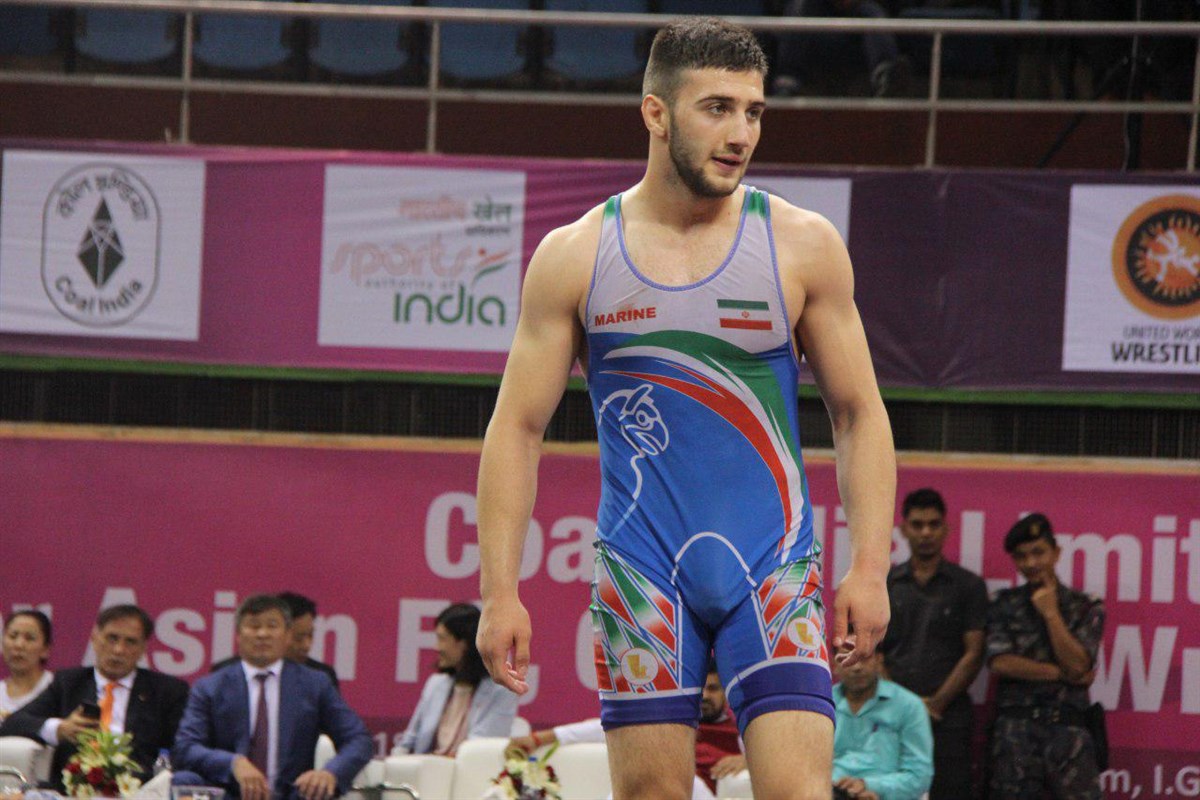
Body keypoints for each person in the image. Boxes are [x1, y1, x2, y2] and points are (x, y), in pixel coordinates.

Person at [475, 16, 896, 800]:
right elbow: (517, 429)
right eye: (717, 108)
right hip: (643, 576)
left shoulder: (801, 245)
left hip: (774, 570)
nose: (741, 134)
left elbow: (859, 414)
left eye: (754, 111)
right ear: (656, 113)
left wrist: (870, 567)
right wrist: (499, 592)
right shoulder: (575, 256)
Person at [172, 594, 372, 800]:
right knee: (183, 781)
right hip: (229, 793)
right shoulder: (210, 687)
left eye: (272, 626)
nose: (262, 634)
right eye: (254, 626)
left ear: (287, 636)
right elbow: (186, 747)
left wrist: (330, 773)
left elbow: (358, 739)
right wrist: (233, 763)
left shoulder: (314, 684)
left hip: (292, 794)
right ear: (238, 635)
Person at [0, 605, 189, 792]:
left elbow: (183, 747)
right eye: (112, 638)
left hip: (138, 791)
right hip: (72, 790)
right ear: (94, 638)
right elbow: (13, 723)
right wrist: (59, 729)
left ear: (143, 648)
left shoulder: (166, 691)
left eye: (130, 642)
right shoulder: (69, 683)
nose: (118, 650)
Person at [879, 488, 987, 800]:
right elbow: (874, 653)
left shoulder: (968, 586)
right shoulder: (886, 584)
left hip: (948, 717)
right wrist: (907, 707)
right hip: (893, 716)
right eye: (917, 524)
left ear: (946, 529)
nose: (926, 532)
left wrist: (935, 705)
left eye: (933, 524)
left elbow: (974, 653)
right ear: (903, 530)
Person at [986, 513, 1104, 800]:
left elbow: (1079, 664)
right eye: (1022, 556)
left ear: (1056, 552)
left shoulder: (1085, 606)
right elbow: (1000, 662)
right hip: (1015, 734)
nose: (1031, 563)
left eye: (1038, 552)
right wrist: (1065, 674)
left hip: (1070, 734)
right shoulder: (1002, 603)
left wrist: (1051, 613)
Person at [509, 661, 743, 797]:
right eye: (700, 689)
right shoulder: (670, 720)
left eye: (713, 689)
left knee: (671, 777)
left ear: (726, 693)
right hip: (655, 786)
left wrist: (747, 761)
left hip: (699, 792)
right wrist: (540, 738)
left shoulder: (740, 730)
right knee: (641, 768)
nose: (705, 696)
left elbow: (766, 755)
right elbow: (603, 728)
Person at [396, 602, 517, 756]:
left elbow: (483, 749)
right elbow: (409, 740)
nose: (436, 647)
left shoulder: (502, 690)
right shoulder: (435, 683)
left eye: (442, 639)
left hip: (468, 770)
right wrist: (396, 760)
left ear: (464, 643)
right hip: (425, 767)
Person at [832, 649, 933, 800]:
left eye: (864, 658)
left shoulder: (909, 706)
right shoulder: (822, 704)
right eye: (847, 659)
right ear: (834, 665)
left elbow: (919, 776)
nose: (856, 667)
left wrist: (870, 786)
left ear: (879, 660)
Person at [773, 0, 912, 98]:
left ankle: (886, 75)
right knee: (800, 5)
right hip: (815, 23)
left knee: (871, 11)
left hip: (856, 27)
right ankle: (787, 80)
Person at [212, 592, 339, 691]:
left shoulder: (321, 677)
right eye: (298, 638)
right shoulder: (223, 674)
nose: (306, 646)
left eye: (310, 636)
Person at [0, 611, 54, 721]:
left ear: (45, 649)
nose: (19, 645)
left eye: (30, 638)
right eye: (12, 636)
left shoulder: (56, 689)